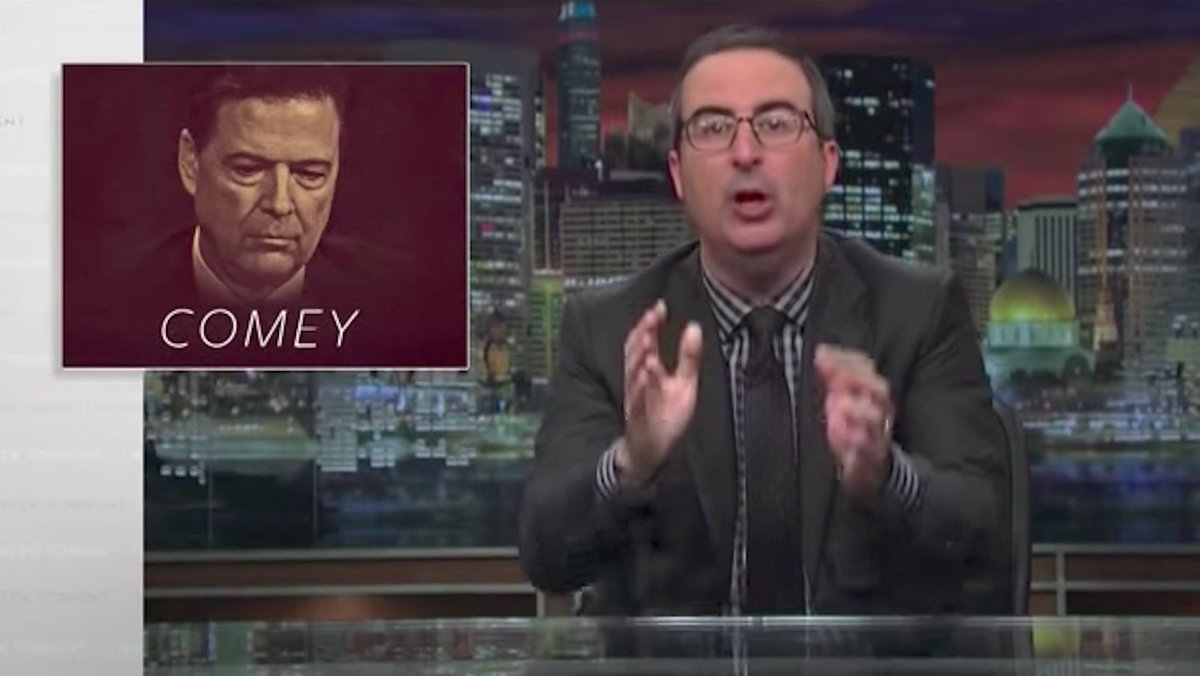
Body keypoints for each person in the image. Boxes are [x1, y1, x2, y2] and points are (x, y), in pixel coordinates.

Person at [518, 24, 1009, 617]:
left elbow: (984, 536)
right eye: (713, 128)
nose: (745, 153)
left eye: (776, 124)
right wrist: (630, 463)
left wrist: (886, 476)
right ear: (677, 174)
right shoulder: (607, 329)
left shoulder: (918, 312)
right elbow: (547, 556)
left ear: (828, 164)